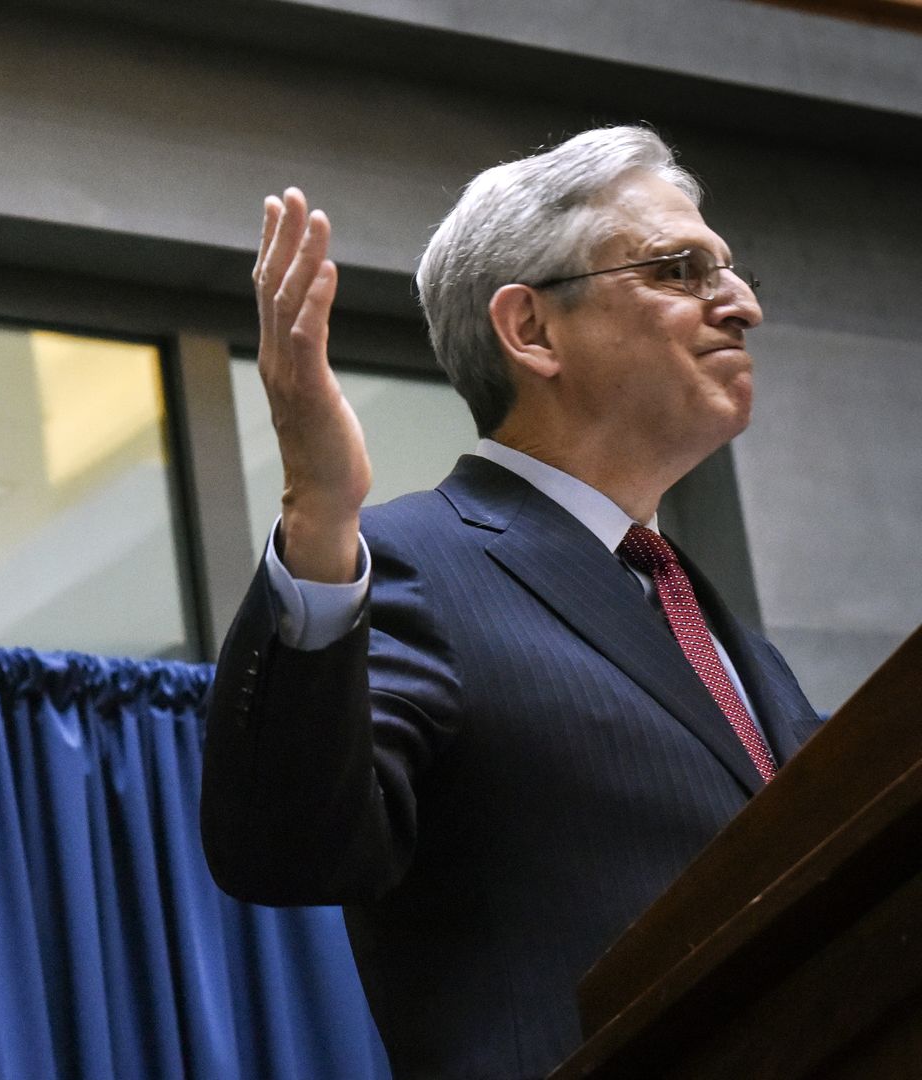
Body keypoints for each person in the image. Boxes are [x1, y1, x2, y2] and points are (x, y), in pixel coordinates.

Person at [198, 127, 823, 1078]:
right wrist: (319, 515)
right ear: (531, 330)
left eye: (732, 271)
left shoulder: (711, 624)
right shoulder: (412, 563)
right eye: (681, 269)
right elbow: (287, 850)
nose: (740, 305)